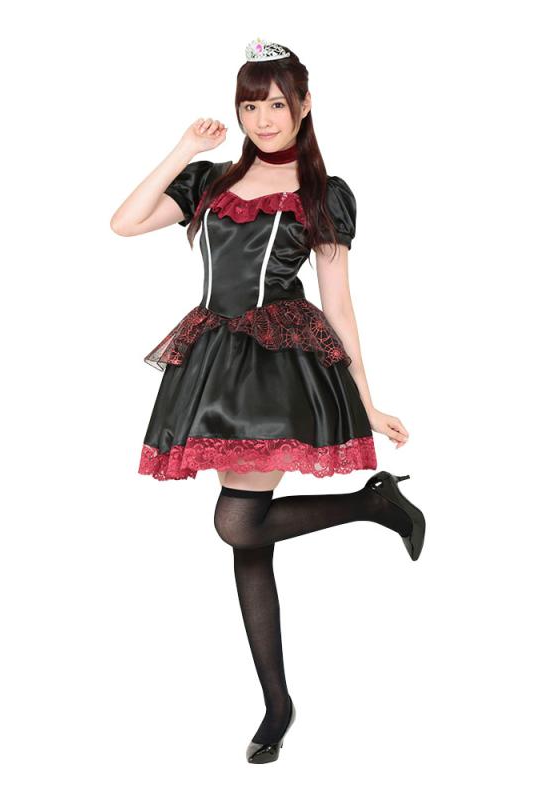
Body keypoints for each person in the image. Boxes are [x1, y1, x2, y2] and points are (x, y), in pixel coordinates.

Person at [110, 37, 426, 764]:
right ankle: (277, 703)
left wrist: (368, 400)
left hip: (280, 364)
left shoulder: (322, 194)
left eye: (277, 104)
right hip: (213, 362)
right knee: (248, 535)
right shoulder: (209, 180)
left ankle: (373, 507)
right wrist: (183, 148)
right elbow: (124, 222)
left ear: (304, 106)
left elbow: (339, 305)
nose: (263, 119)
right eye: (250, 106)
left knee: (237, 522)